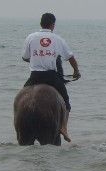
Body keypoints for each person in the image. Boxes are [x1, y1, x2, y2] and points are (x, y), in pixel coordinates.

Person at [22, 13, 80, 142]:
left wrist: (37, 59)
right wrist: (76, 71)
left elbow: (25, 57)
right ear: (53, 25)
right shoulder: (57, 39)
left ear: (41, 23)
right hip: (51, 76)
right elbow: (70, 57)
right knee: (66, 101)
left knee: (21, 97)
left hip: (35, 76)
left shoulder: (31, 37)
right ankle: (64, 128)